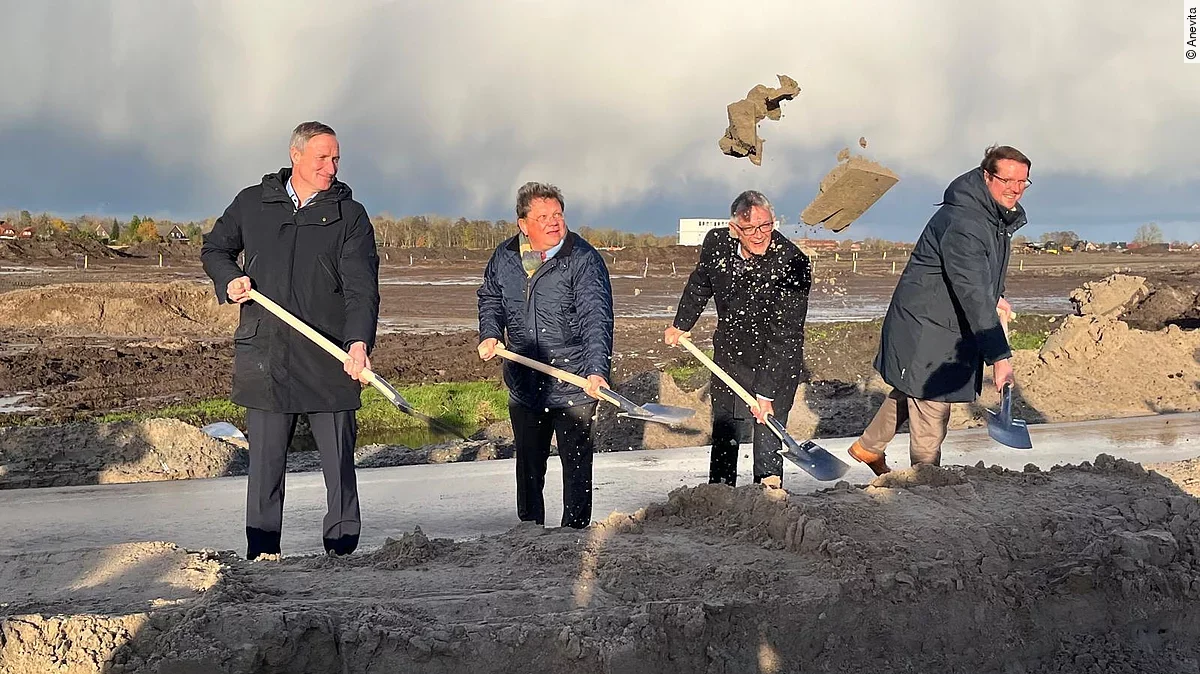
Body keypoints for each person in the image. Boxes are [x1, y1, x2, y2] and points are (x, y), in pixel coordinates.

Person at [201, 121, 380, 559]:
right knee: (265, 468)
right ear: (295, 155)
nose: (331, 167)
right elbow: (214, 249)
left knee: (339, 466)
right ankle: (263, 553)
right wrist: (229, 279)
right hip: (266, 354)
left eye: (336, 158)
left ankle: (342, 551)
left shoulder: (350, 215)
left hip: (329, 355)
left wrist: (358, 344)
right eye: (322, 157)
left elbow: (362, 290)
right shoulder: (252, 203)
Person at [848, 145, 1030, 475]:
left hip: (940, 318)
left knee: (913, 386)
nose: (1015, 188)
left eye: (1022, 182)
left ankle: (868, 447)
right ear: (987, 176)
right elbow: (972, 291)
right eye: (1008, 180)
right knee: (933, 398)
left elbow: (980, 273)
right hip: (927, 325)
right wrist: (1000, 358)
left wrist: (996, 296)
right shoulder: (966, 222)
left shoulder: (991, 215)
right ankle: (925, 480)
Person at [476, 182, 614, 529]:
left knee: (576, 466)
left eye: (558, 214)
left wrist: (597, 371)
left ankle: (574, 533)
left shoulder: (581, 259)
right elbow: (490, 297)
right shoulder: (505, 257)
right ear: (523, 224)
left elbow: (596, 318)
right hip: (525, 382)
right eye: (543, 217)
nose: (554, 222)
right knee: (529, 465)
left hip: (574, 382)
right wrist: (490, 333)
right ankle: (529, 530)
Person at [665, 190, 812, 489]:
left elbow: (786, 334)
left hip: (775, 360)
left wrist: (766, 393)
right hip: (730, 357)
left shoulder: (793, 263)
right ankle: (721, 493)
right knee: (725, 430)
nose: (759, 235)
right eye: (750, 228)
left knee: (768, 434)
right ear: (734, 228)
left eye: (766, 225)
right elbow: (700, 283)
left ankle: (768, 496)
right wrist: (681, 325)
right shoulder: (717, 243)